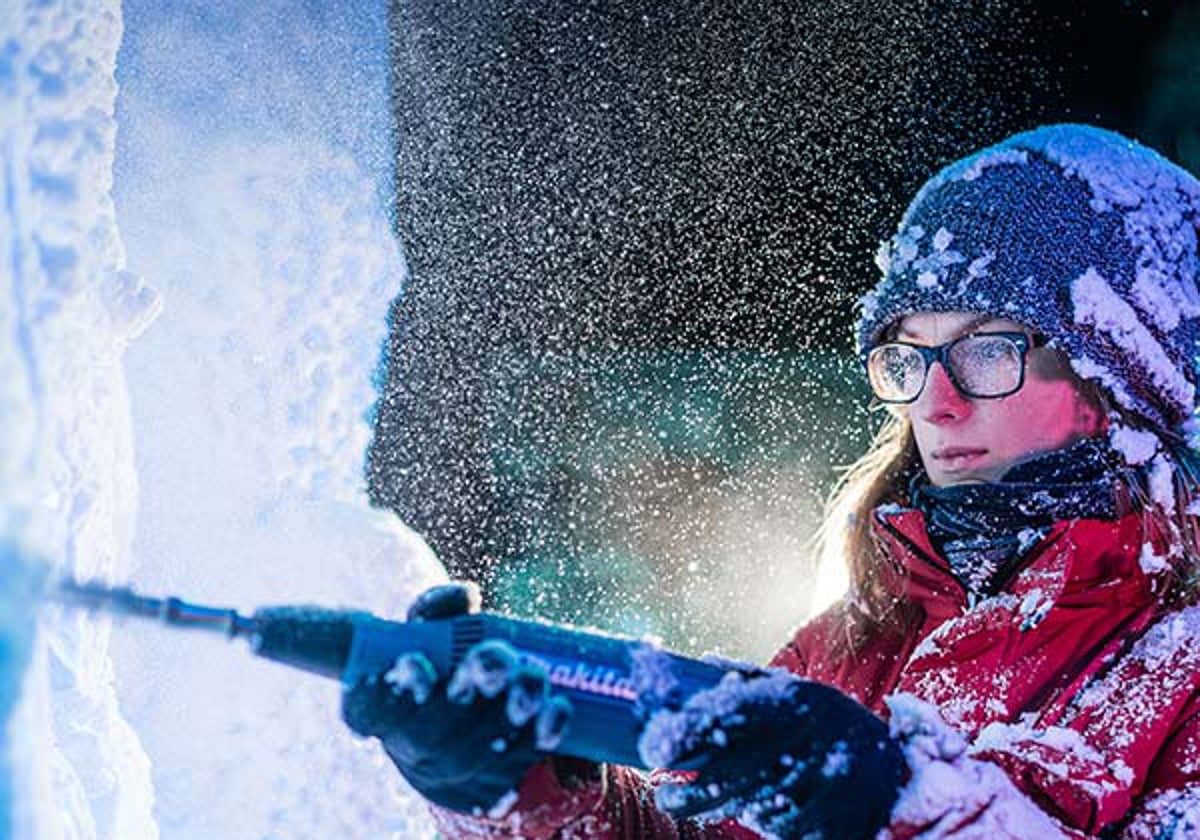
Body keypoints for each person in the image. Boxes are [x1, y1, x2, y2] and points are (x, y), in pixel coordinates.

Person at [342, 123, 1200, 839]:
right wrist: (525, 791)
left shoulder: (1183, 662)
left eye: (987, 348)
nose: (934, 404)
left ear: (1133, 370)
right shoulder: (858, 637)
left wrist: (897, 805)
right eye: (907, 355)